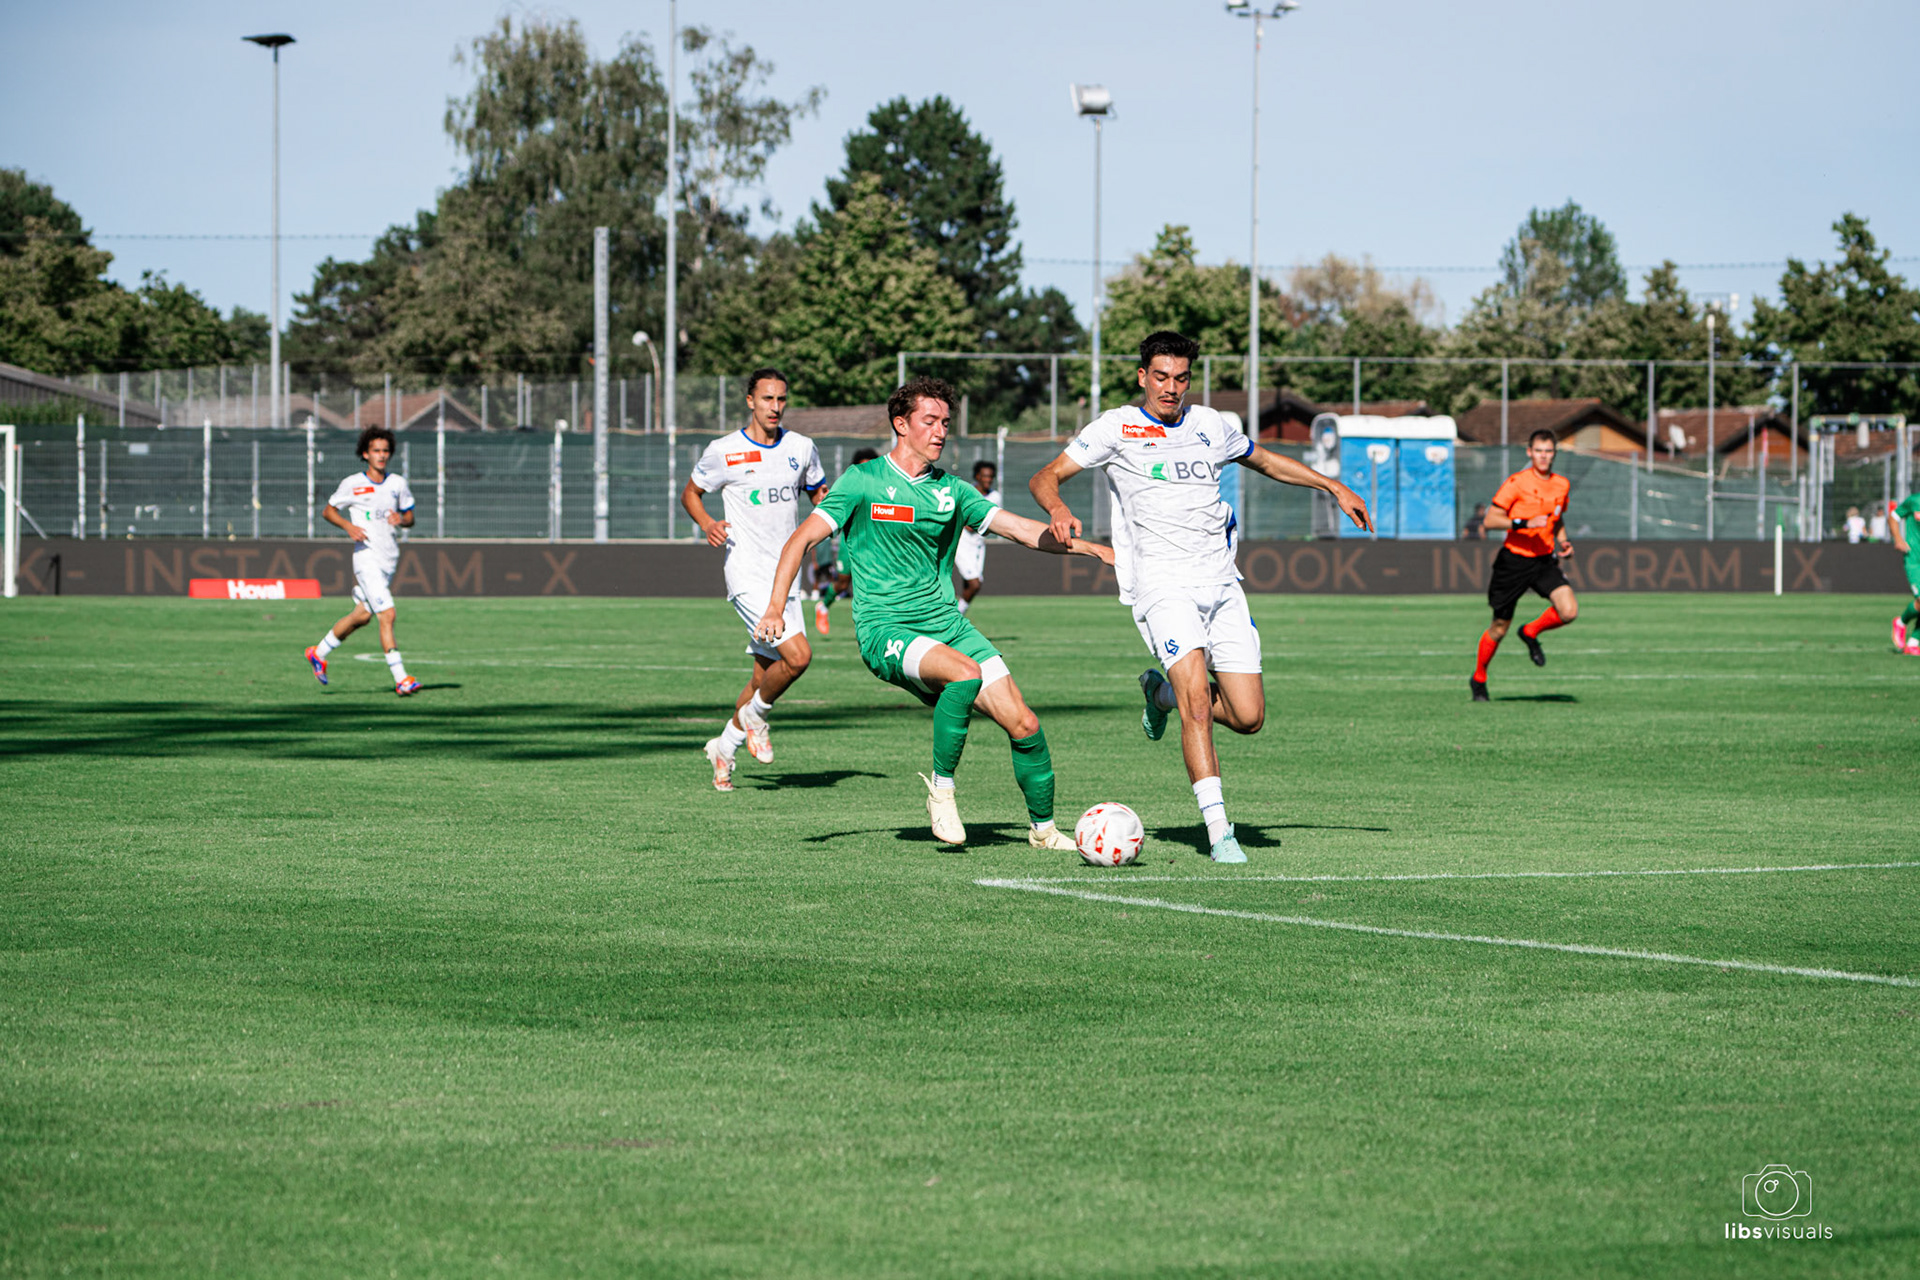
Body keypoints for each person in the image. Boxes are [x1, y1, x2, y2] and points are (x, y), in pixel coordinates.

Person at [1028, 331, 1373, 863]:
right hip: (1161, 585)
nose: (1171, 388)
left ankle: (1157, 695)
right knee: (1196, 702)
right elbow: (1045, 476)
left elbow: (1268, 461)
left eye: (1181, 378)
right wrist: (1056, 508)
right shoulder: (1116, 427)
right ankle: (1219, 833)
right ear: (1142, 376)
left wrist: (1333, 486)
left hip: (1222, 583)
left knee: (1248, 716)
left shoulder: (1211, 424)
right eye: (1161, 376)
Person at [754, 376, 1114, 850]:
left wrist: (1089, 547)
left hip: (947, 625)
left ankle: (1044, 831)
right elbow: (799, 540)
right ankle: (941, 792)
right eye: (930, 421)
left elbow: (1020, 530)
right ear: (901, 424)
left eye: (946, 422)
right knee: (965, 675)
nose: (941, 431)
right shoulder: (863, 481)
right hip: (886, 629)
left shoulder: (953, 492)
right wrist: (776, 607)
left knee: (1024, 723)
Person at [682, 368, 827, 791]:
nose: (775, 407)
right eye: (767, 399)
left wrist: (831, 513)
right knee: (798, 657)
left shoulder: (801, 447)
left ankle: (723, 748)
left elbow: (819, 493)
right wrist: (708, 523)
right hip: (746, 571)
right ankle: (756, 718)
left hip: (787, 574)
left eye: (781, 399)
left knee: (764, 675)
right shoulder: (723, 450)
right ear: (750, 401)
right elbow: (691, 492)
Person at [305, 426, 420, 695]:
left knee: (362, 616)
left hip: (388, 559)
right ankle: (402, 679)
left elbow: (410, 517)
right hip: (366, 558)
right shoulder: (353, 483)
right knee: (387, 614)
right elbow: (328, 511)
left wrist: (401, 519)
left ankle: (318, 652)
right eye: (376, 451)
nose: (381, 455)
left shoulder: (397, 484)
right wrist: (348, 527)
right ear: (366, 454)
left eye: (385, 451)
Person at [1471, 429, 1578, 702]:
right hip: (1514, 560)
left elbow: (1558, 519)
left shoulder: (1561, 484)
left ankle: (1530, 631)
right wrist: (1523, 523)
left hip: (1543, 559)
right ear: (1529, 452)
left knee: (1569, 611)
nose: (1544, 456)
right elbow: (1490, 520)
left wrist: (1563, 542)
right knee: (1499, 627)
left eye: (1549, 451)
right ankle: (1479, 678)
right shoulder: (1516, 483)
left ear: (1554, 454)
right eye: (1539, 451)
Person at [812, 447, 878, 635]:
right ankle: (823, 607)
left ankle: (874, 628)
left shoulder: (884, 489)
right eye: (862, 468)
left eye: (871, 468)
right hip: (849, 542)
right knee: (842, 583)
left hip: (874, 544)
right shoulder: (849, 487)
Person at [954, 460, 1001, 614]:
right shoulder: (967, 493)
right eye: (984, 476)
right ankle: (956, 617)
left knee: (972, 585)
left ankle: (955, 616)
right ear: (977, 477)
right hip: (961, 542)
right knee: (975, 584)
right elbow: (969, 525)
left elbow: (993, 521)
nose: (988, 479)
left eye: (990, 477)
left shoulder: (995, 497)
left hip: (979, 545)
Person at [1888, 496, 1920, 655]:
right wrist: (1898, 538)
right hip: (1914, 560)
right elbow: (1894, 516)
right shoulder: (1915, 501)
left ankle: (1913, 643)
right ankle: (1901, 622)